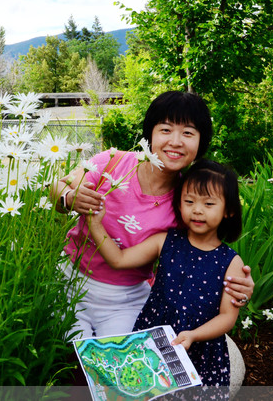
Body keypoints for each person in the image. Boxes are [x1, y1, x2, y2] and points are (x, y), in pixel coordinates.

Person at [51, 91, 253, 339]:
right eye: (166, 130)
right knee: (67, 355)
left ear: (201, 142)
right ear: (150, 134)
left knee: (119, 366)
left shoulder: (187, 202)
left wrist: (236, 285)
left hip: (125, 300)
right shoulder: (112, 162)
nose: (176, 142)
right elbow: (57, 187)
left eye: (188, 133)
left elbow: (201, 257)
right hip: (70, 280)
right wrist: (68, 198)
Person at [86, 159, 243, 393]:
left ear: (228, 210)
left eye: (209, 204)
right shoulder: (166, 241)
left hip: (200, 350)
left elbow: (227, 318)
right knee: (146, 391)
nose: (197, 210)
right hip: (155, 340)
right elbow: (119, 259)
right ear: (179, 203)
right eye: (189, 201)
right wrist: (95, 224)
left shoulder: (231, 261)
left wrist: (193, 335)